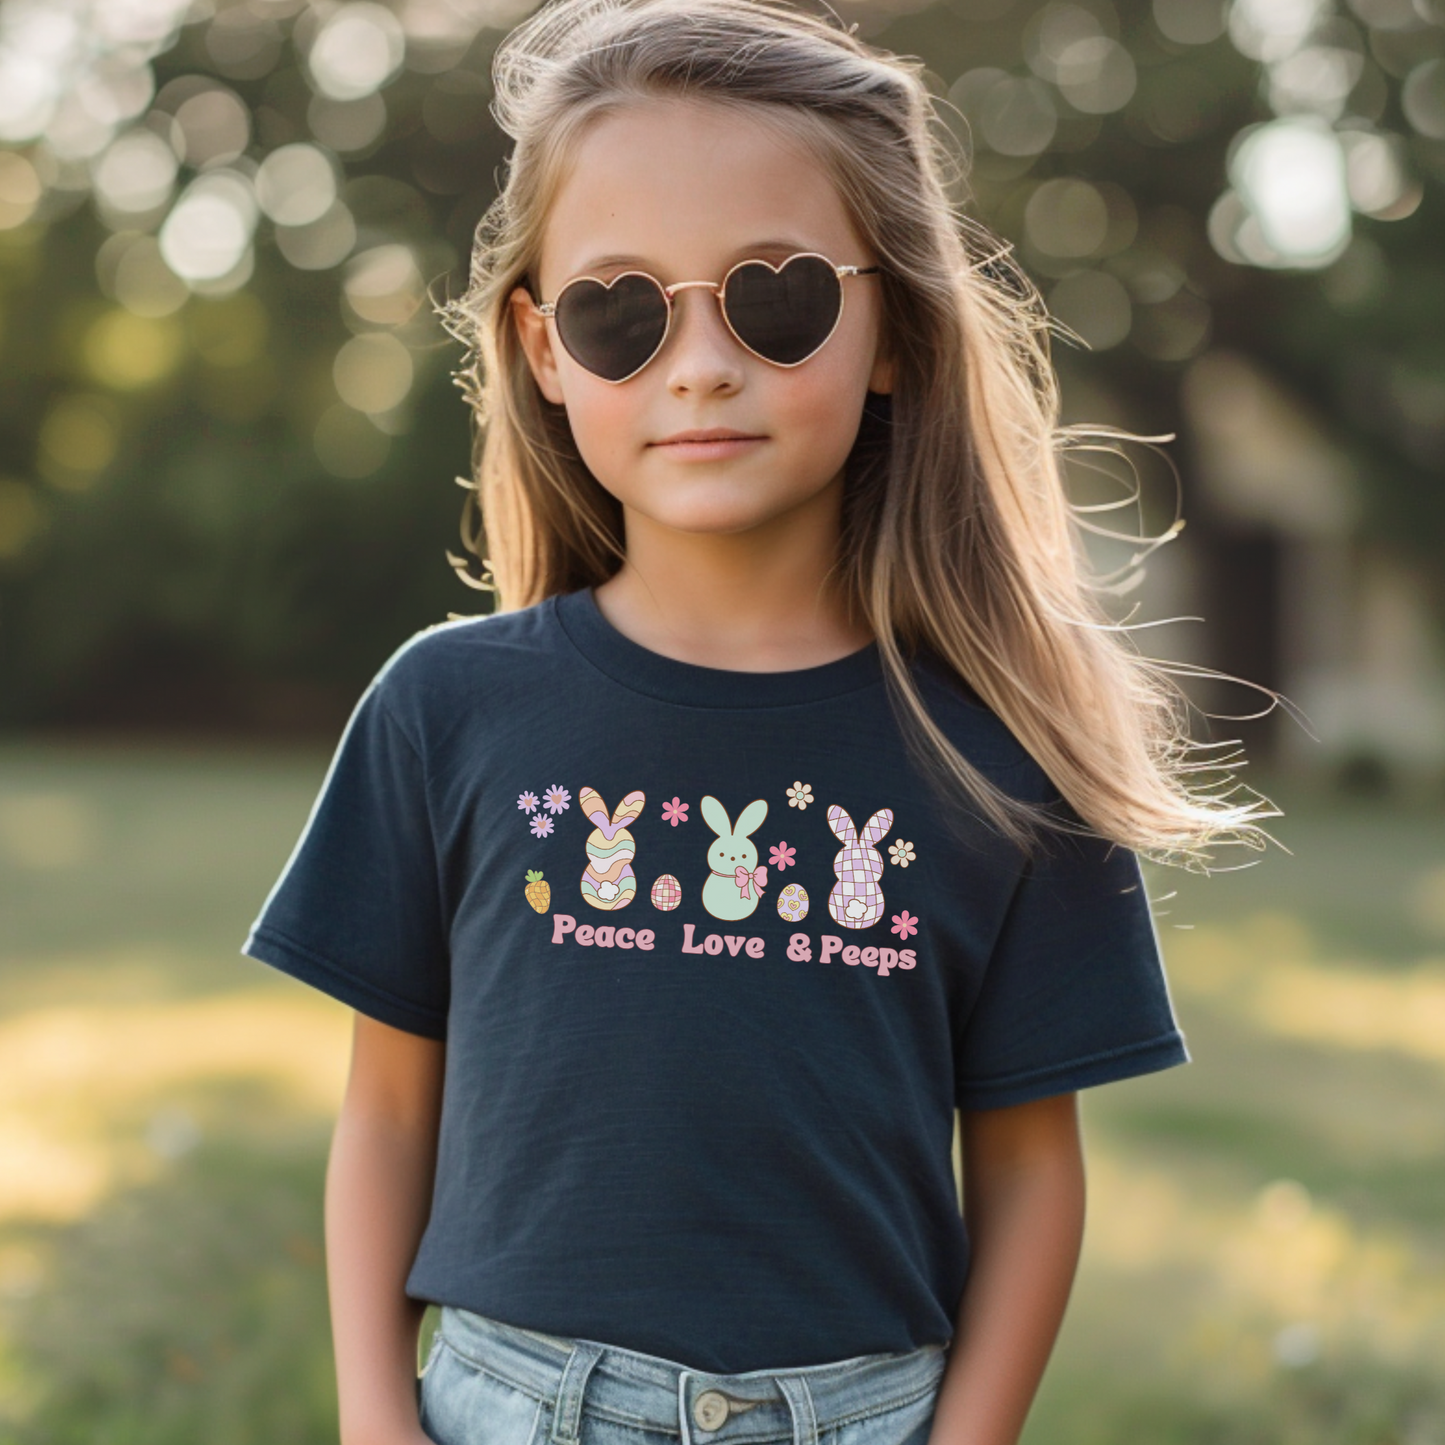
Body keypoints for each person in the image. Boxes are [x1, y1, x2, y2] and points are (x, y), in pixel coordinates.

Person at [242, 1, 1280, 1443]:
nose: (700, 362)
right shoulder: (447, 708)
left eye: (775, 295)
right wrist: (374, 1414)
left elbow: (1034, 1172)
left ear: (895, 331)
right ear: (545, 350)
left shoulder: (1004, 752)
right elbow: (390, 1116)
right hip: (505, 1409)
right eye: (621, 307)